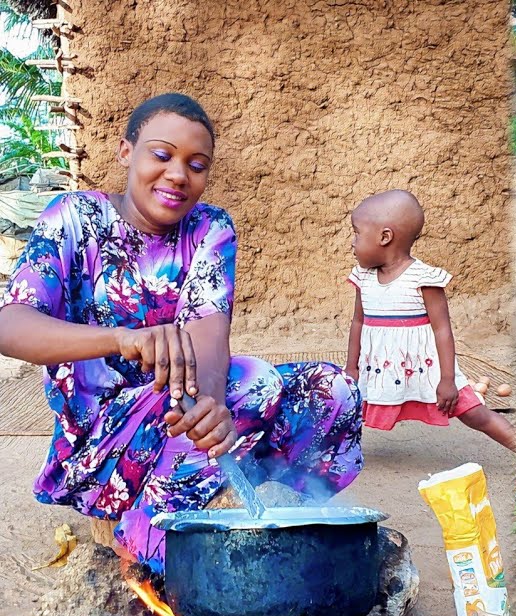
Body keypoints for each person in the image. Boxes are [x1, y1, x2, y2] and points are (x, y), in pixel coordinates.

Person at [0, 94, 363, 573]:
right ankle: (149, 548)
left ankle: (252, 508)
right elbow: (11, 325)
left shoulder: (209, 228)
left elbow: (209, 336)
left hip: (183, 412)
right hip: (103, 442)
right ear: (126, 152)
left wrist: (212, 408)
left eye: (197, 164)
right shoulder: (73, 218)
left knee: (331, 391)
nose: (178, 174)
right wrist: (120, 339)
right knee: (254, 380)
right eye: (162, 154)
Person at [344, 190, 515, 450]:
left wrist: (447, 380)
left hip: (428, 370)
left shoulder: (423, 279)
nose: (352, 242)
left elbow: (442, 330)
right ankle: (321, 459)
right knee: (346, 409)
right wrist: (352, 368)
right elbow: (358, 322)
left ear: (385, 237)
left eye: (356, 233)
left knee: (474, 414)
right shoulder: (362, 277)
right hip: (380, 370)